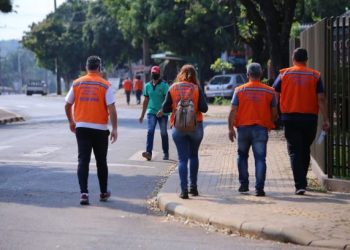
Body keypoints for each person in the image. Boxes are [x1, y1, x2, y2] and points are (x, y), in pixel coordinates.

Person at [273, 48, 330, 195]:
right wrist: (326, 118)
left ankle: (300, 184)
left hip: (290, 118)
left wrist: (274, 114)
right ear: (306, 60)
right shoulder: (315, 75)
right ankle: (302, 181)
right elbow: (321, 99)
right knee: (305, 149)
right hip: (309, 118)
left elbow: (275, 94)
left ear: (293, 59)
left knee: (294, 151)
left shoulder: (284, 74)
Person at [64, 55, 118, 205]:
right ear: (100, 68)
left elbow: (67, 105)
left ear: (86, 68)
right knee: (101, 161)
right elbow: (112, 109)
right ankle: (103, 192)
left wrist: (71, 122)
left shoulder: (77, 83)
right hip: (100, 129)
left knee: (83, 160)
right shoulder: (105, 85)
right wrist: (114, 128)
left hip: (81, 128)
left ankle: (84, 193)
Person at [228, 63, 277, 197]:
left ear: (248, 75)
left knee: (242, 156)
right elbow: (274, 112)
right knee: (260, 159)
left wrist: (230, 128)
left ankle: (244, 186)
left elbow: (233, 110)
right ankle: (259, 189)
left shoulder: (239, 90)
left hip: (243, 129)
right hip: (261, 129)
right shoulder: (270, 91)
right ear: (261, 74)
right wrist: (270, 123)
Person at [162, 64, 208, 199]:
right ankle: (193, 187)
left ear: (180, 73)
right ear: (194, 75)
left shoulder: (173, 88)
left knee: (182, 159)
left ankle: (183, 191)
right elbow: (204, 108)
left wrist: (176, 106)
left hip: (178, 127)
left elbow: (165, 109)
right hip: (196, 126)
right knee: (194, 156)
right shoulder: (196, 88)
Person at [139, 66, 169, 161]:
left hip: (163, 113)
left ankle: (166, 152)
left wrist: (162, 110)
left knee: (163, 132)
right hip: (151, 112)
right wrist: (142, 115)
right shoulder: (147, 86)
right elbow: (145, 101)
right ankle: (149, 153)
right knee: (150, 131)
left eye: (156, 73)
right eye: (153, 73)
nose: (154, 75)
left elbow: (167, 100)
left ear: (159, 74)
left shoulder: (164, 85)